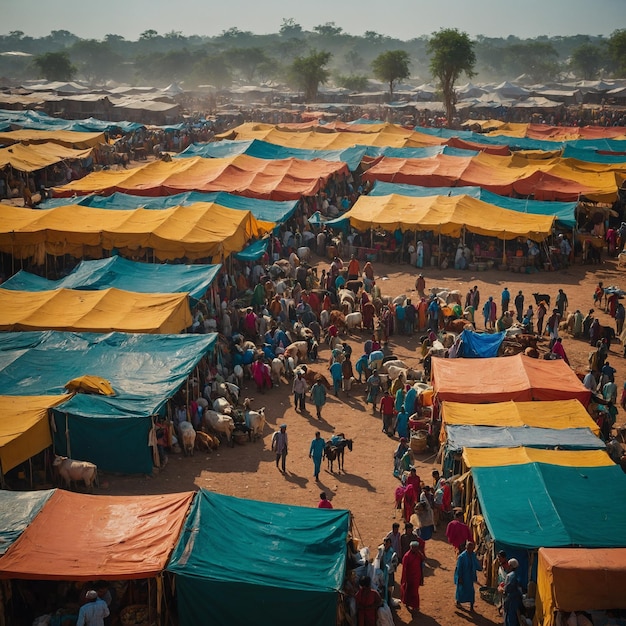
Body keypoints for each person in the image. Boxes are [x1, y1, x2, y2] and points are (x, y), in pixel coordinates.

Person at [454, 541, 482, 612]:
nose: (470, 549)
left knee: (471, 592)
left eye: (472, 548)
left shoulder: (473, 555)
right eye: (469, 548)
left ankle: (471, 606)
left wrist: (480, 567)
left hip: (470, 577)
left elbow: (476, 564)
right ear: (466, 547)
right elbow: (459, 568)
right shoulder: (462, 557)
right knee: (460, 590)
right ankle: (458, 602)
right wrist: (459, 577)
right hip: (463, 576)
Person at [401, 541, 425, 614]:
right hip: (409, 577)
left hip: (416, 576)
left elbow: (423, 559)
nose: (415, 549)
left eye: (416, 548)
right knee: (408, 591)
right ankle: (409, 603)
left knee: (414, 591)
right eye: (414, 547)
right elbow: (404, 568)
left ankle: (415, 606)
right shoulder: (407, 556)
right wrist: (404, 579)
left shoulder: (418, 554)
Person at [501, 558, 523, 626]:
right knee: (513, 617)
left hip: (510, 599)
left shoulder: (510, 576)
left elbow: (507, 589)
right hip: (515, 599)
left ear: (510, 566)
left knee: (509, 618)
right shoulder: (516, 575)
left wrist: (502, 589)